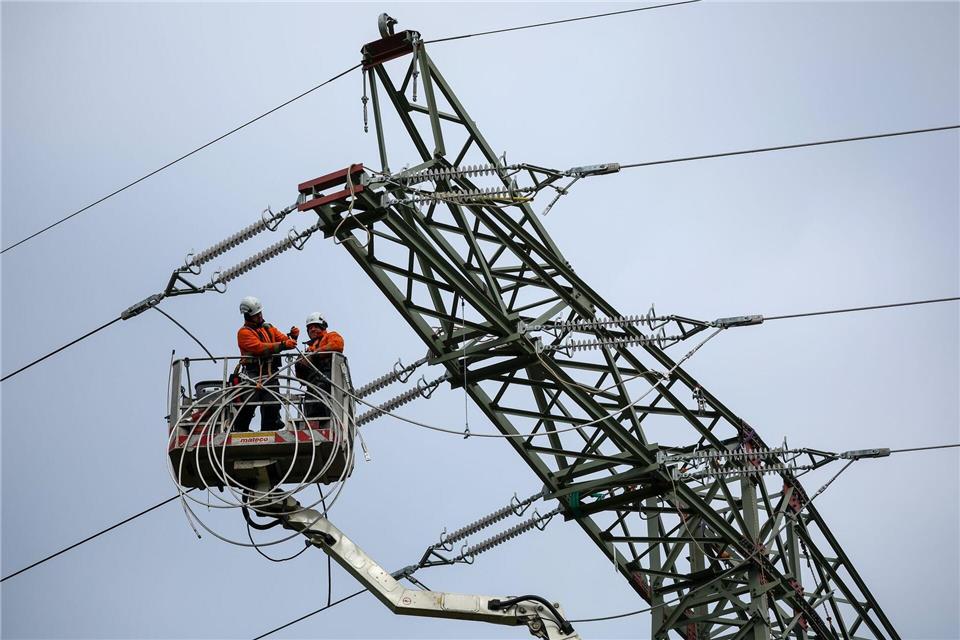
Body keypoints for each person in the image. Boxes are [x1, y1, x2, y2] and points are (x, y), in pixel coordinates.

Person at [233, 296, 299, 432]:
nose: (260, 316)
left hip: (270, 372)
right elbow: (259, 347)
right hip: (253, 373)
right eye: (257, 315)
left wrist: (293, 337)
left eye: (260, 313)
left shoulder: (268, 328)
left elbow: (285, 341)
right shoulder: (244, 333)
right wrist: (283, 344)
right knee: (249, 402)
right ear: (248, 316)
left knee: (272, 402)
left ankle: (269, 429)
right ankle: (240, 429)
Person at [295, 312, 344, 422]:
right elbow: (301, 380)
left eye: (316, 327)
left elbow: (338, 345)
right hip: (312, 384)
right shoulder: (309, 349)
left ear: (322, 326)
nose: (312, 330)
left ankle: (321, 420)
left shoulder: (330, 336)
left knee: (320, 393)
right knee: (310, 399)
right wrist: (300, 365)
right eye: (310, 328)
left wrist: (316, 353)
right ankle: (312, 421)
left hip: (326, 378)